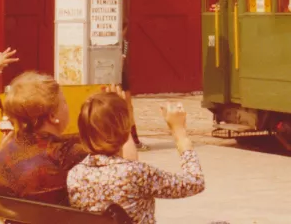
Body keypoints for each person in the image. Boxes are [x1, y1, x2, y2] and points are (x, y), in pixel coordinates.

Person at [68, 93, 205, 224]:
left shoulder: (75, 174)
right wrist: (179, 131)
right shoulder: (137, 173)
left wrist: (116, 113)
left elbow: (124, 163)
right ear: (124, 130)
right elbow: (195, 182)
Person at [0, 71, 88, 205]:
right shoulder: (70, 155)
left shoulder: (4, 154)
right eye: (64, 102)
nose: (67, 106)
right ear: (52, 116)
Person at [121, 24, 149, 152]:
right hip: (118, 78)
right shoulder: (121, 43)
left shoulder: (124, 43)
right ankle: (132, 140)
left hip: (120, 78)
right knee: (126, 109)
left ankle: (133, 139)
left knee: (128, 108)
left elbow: (121, 64)